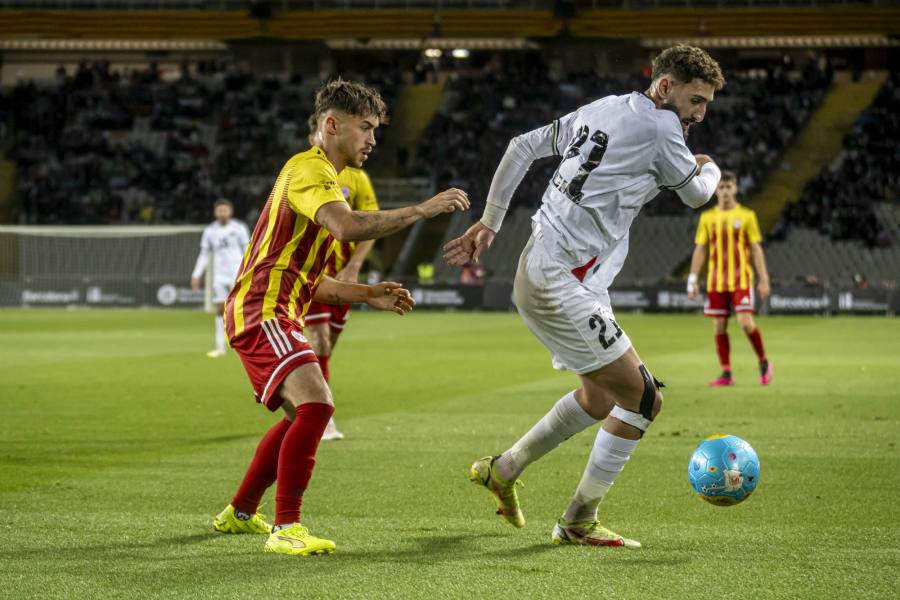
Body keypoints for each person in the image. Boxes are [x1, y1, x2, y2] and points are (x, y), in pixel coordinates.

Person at [443, 45, 724, 548]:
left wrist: (490, 221)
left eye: (706, 104)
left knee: (600, 397)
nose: (700, 114)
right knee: (644, 398)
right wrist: (710, 168)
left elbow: (521, 146)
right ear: (664, 87)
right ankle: (578, 520)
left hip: (557, 269)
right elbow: (697, 195)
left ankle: (503, 469)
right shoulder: (662, 127)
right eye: (696, 100)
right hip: (560, 281)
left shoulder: (603, 108)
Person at [212, 79, 469, 556]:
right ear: (332, 125)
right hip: (262, 309)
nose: (372, 140)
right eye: (364, 128)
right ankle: (287, 528)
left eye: (375, 130)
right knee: (316, 406)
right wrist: (421, 209)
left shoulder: (324, 177)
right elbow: (347, 227)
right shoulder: (309, 169)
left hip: (276, 307)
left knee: (301, 414)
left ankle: (240, 512)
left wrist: (366, 293)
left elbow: (310, 280)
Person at [303, 115, 379, 441]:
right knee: (318, 340)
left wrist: (354, 267)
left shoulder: (357, 178)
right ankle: (322, 416)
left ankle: (293, 387)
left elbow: (370, 224)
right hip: (313, 275)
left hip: (343, 276)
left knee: (326, 346)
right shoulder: (305, 173)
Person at [687, 170, 772, 386]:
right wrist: (692, 279)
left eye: (728, 187)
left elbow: (756, 249)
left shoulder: (747, 216)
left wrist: (764, 279)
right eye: (721, 187)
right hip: (716, 282)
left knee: (745, 322)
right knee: (719, 326)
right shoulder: (707, 217)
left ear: (735, 189)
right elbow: (701, 249)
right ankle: (726, 373)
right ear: (716, 190)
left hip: (741, 280)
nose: (725, 191)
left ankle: (763, 361)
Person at [191, 199, 250, 357]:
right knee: (219, 309)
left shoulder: (239, 228)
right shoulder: (210, 231)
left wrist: (250, 270)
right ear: (215, 212)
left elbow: (247, 250)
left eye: (225, 210)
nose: (222, 213)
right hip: (219, 276)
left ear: (230, 211)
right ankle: (220, 347)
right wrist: (196, 274)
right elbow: (204, 254)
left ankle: (244, 346)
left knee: (241, 309)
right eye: (220, 210)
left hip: (237, 274)